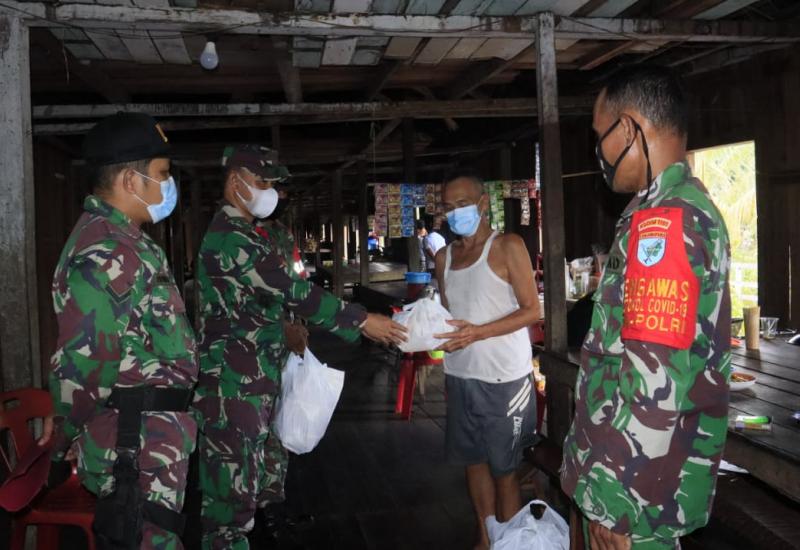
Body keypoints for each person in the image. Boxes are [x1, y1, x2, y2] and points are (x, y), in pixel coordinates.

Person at [193, 144, 406, 550]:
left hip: (253, 373)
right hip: (231, 387)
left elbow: (269, 299)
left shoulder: (248, 233)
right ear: (236, 182)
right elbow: (291, 289)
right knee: (229, 503)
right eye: (263, 182)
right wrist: (361, 321)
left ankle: (267, 521)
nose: (270, 192)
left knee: (255, 473)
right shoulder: (229, 239)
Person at [560, 65, 731, 550]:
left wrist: (616, 501)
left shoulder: (665, 222)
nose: (598, 152)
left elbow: (656, 380)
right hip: (639, 479)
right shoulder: (661, 208)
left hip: (635, 493)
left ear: (630, 128)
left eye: (600, 137)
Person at [41, 112, 198, 549]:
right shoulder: (103, 250)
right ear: (131, 181)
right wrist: (66, 436)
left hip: (149, 439)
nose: (168, 186)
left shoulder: (126, 241)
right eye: (161, 174)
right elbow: (85, 363)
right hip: (135, 444)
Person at [433, 170, 541, 550]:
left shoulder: (508, 246)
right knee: (473, 463)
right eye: (448, 207)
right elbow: (448, 313)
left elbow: (532, 312)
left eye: (463, 204)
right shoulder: (444, 257)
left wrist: (477, 332)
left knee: (505, 471)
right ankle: (485, 535)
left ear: (482, 204)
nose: (455, 212)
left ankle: (508, 543)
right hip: (460, 376)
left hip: (504, 380)